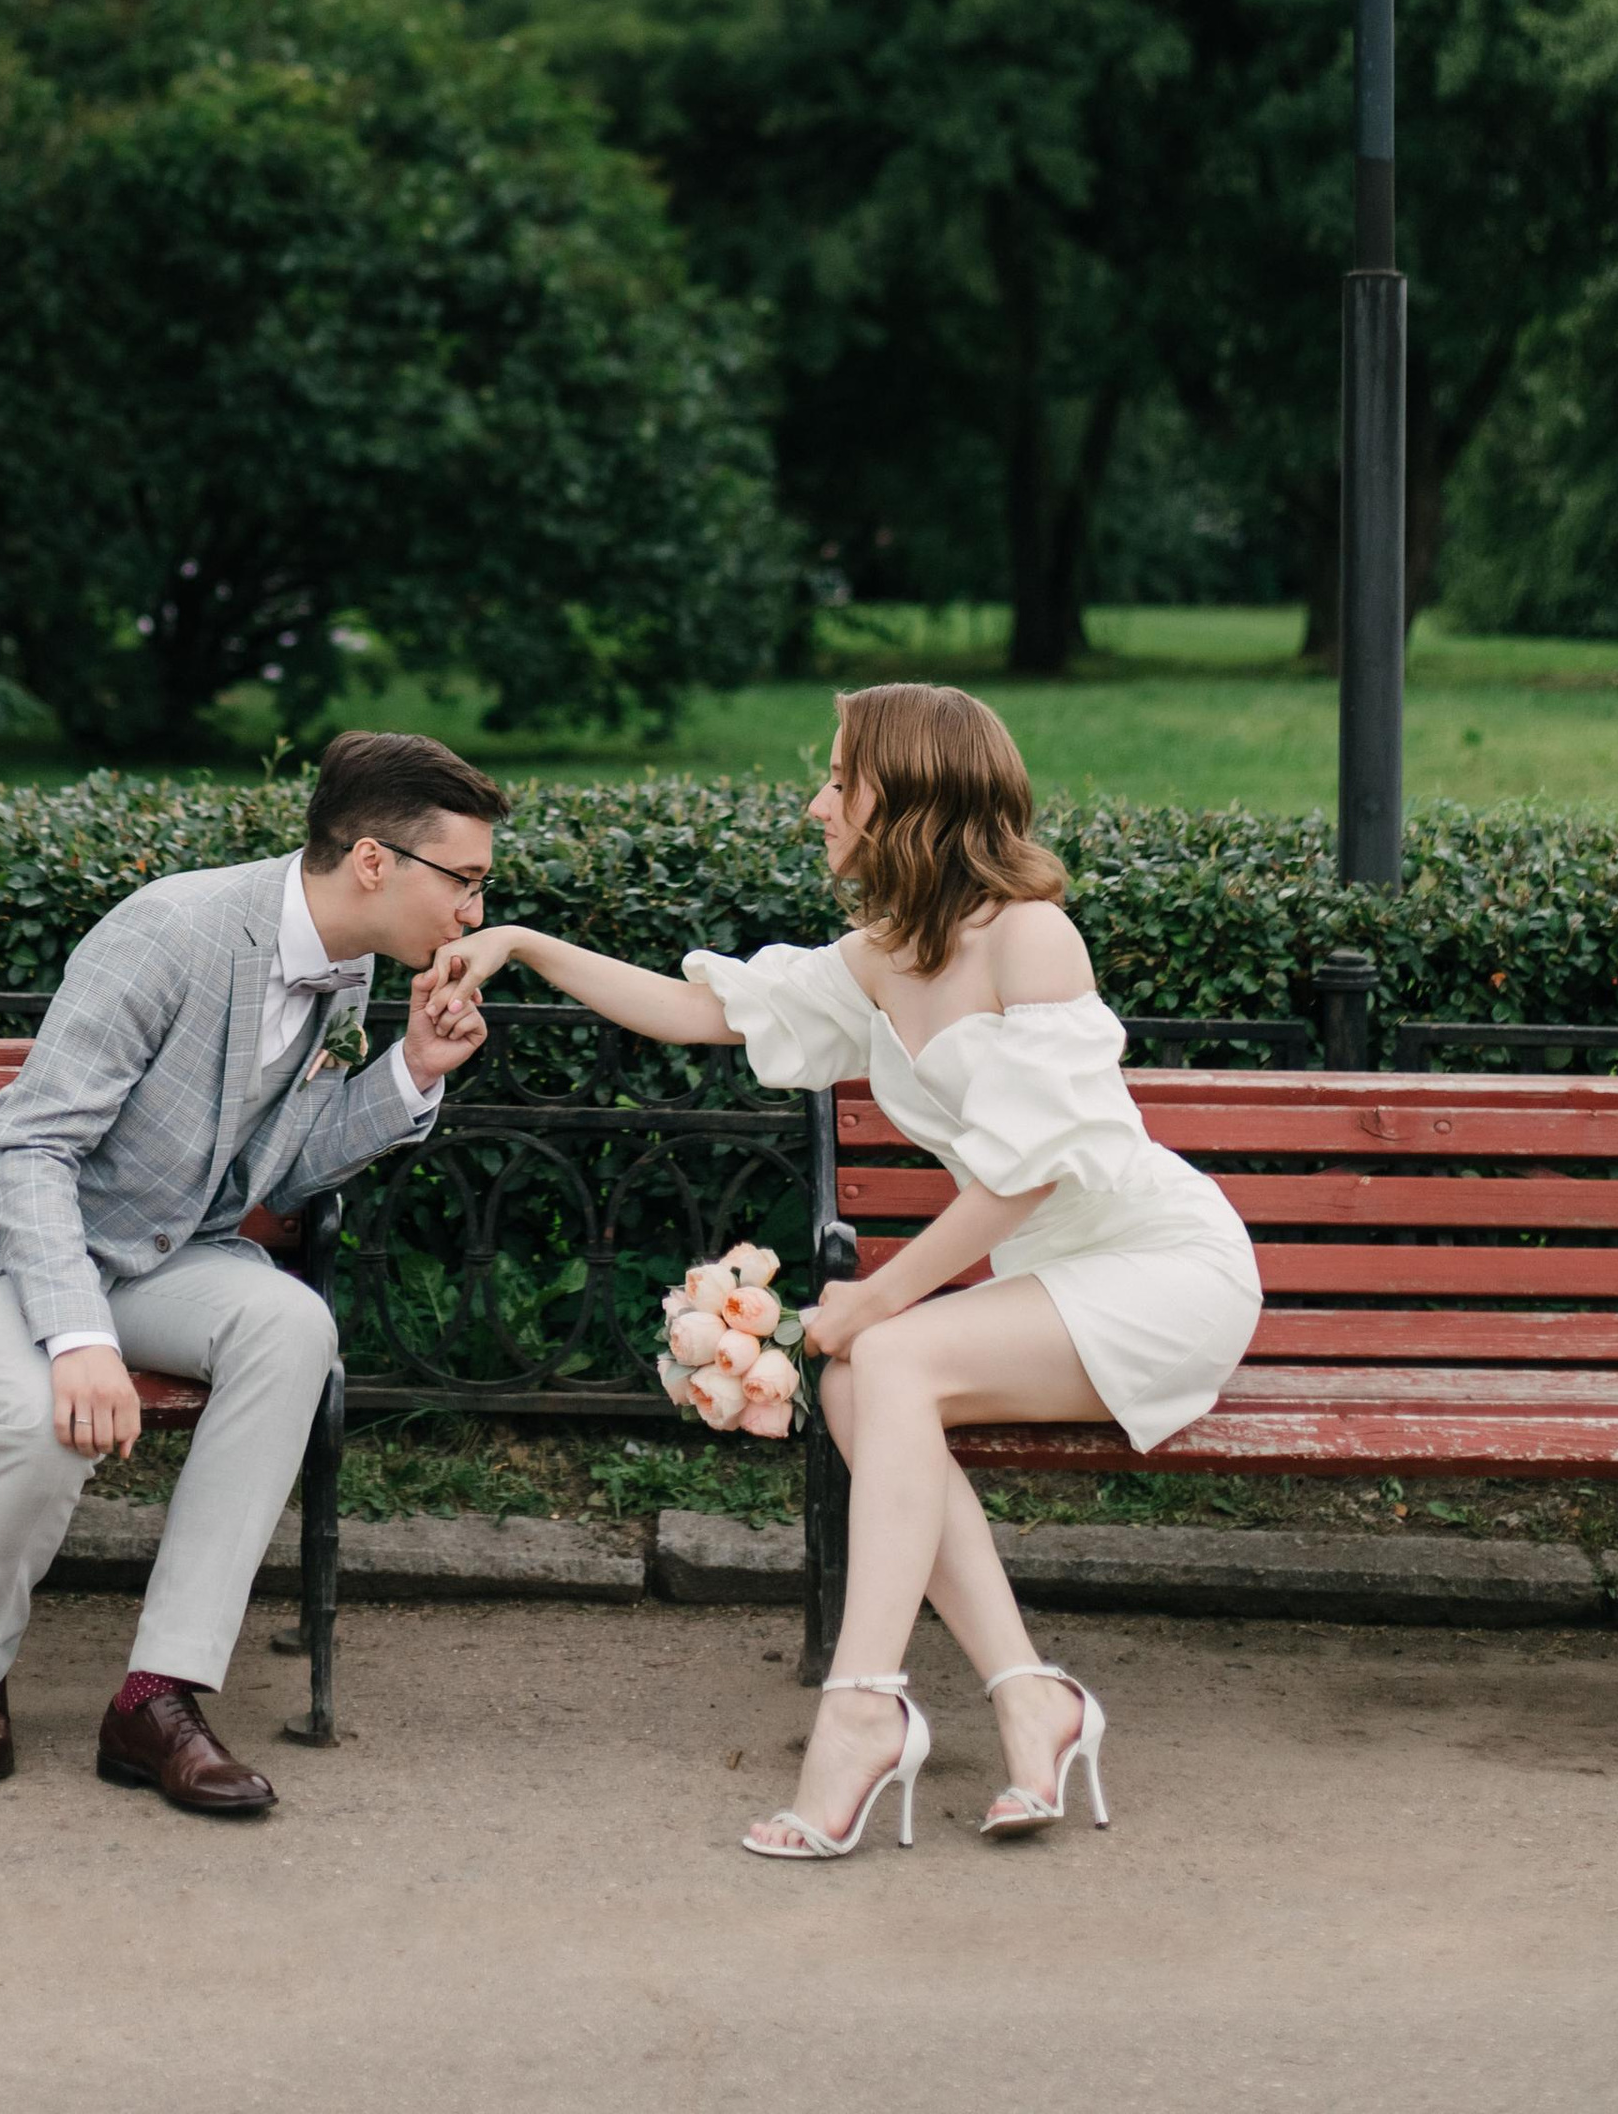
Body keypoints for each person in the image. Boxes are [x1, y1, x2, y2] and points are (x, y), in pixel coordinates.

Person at [433, 680, 1261, 1855]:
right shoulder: (883, 957)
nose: (817, 803)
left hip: (1158, 1269)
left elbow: (1030, 1175)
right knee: (857, 1384)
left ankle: (861, 1711)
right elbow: (693, 1012)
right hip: (1048, 1287)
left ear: (909, 793)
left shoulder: (1030, 933)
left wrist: (878, 1295)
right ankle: (1031, 1694)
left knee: (891, 1352)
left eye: (839, 779)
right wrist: (517, 943)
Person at [0, 728, 498, 1806]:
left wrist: (409, 1070)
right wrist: (79, 1341)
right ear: (373, 862)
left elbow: (288, 1169)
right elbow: (32, 1148)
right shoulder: (169, 930)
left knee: (291, 1324)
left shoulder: (345, 974)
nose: (474, 917)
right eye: (467, 882)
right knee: (41, 1418)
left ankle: (154, 1698)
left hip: (154, 1256)